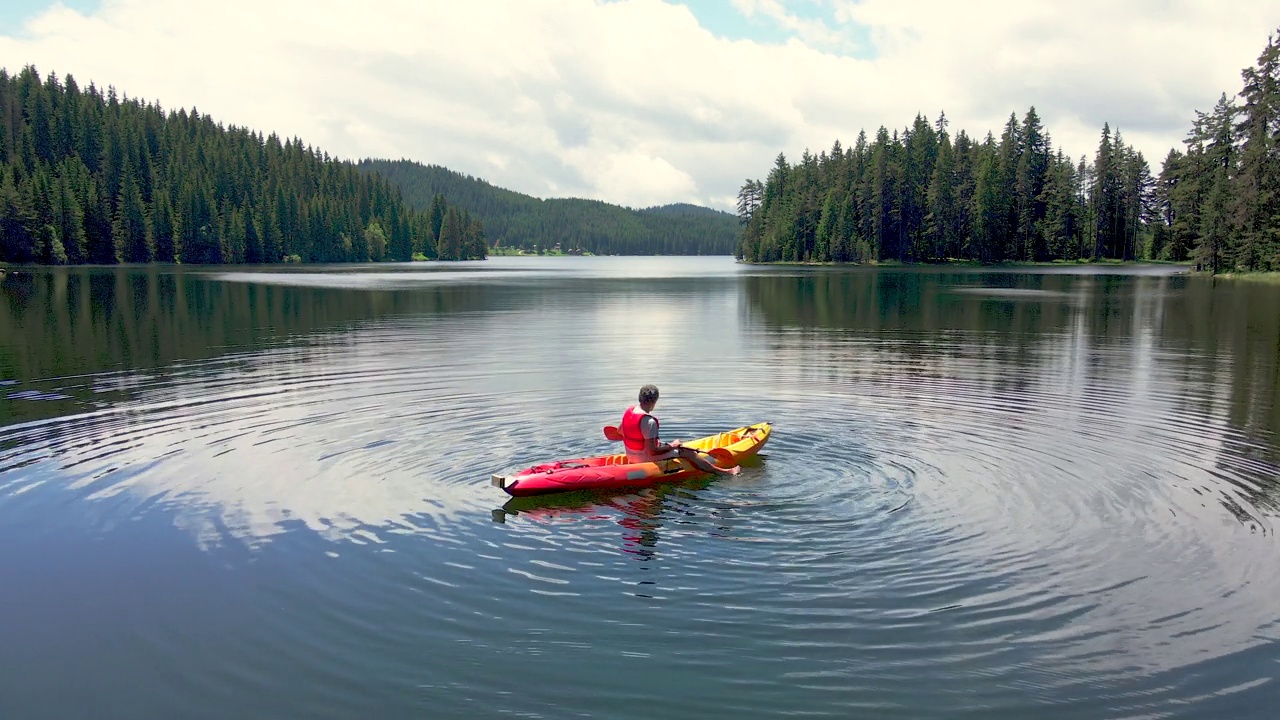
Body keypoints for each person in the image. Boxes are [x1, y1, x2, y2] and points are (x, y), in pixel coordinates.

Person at [620, 384, 740, 476]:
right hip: (644, 458)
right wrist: (673, 445)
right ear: (654, 401)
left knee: (674, 447)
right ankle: (725, 472)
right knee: (688, 452)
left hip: (630, 455)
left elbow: (620, 432)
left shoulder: (629, 411)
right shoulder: (649, 422)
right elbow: (652, 451)